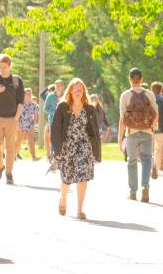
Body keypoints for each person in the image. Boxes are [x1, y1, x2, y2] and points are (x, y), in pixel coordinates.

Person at [51, 78, 102, 219]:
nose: (78, 92)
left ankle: (80, 210)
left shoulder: (89, 108)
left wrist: (97, 152)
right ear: (70, 91)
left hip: (84, 145)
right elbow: (55, 130)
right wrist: (57, 151)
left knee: (83, 176)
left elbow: (95, 131)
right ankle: (63, 199)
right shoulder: (63, 107)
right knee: (66, 178)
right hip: (67, 145)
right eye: (75, 90)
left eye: (81, 90)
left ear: (84, 91)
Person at [118, 67, 158, 202]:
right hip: (147, 132)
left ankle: (133, 192)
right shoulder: (150, 94)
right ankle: (145, 188)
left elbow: (122, 118)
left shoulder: (125, 95)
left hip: (131, 132)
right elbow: (155, 115)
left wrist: (120, 138)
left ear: (129, 79)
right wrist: (152, 129)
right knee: (147, 159)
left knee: (132, 161)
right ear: (141, 79)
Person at [0, 53, 26, 184]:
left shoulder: (17, 81)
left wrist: (16, 119)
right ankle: (0, 166)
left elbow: (21, 102)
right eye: (0, 67)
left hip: (12, 119)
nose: (2, 69)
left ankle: (9, 173)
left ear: (9, 66)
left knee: (10, 148)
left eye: (4, 67)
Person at [42, 80, 64, 154]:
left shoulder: (66, 96)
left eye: (60, 85)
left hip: (64, 122)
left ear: (62, 87)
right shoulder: (50, 96)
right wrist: (55, 112)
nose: (58, 87)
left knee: (63, 139)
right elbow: (45, 109)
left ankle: (62, 157)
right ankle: (52, 157)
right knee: (53, 139)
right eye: (57, 85)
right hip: (52, 121)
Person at [19, 89, 41, 161]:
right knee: (19, 141)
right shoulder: (20, 104)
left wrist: (34, 123)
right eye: (27, 93)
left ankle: (33, 157)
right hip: (21, 124)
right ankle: (14, 155)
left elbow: (36, 115)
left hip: (29, 124)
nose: (29, 95)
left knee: (31, 140)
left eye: (30, 94)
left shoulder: (33, 105)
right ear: (24, 94)